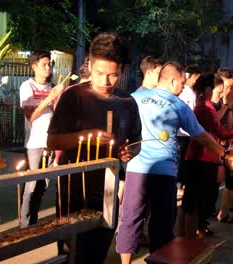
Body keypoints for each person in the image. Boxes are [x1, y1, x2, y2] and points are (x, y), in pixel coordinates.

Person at [116, 62, 233, 263]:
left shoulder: (135, 98)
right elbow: (201, 135)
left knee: (131, 219)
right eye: (182, 82)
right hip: (164, 172)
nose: (183, 87)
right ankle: (160, 259)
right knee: (162, 222)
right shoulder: (178, 105)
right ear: (173, 80)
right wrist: (223, 153)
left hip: (136, 169)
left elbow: (120, 126)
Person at [47, 32, 141, 264]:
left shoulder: (127, 103)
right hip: (73, 191)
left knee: (98, 252)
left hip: (108, 191)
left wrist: (129, 152)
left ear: (122, 70)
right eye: (99, 73)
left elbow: (136, 143)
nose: (105, 82)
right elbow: (53, 142)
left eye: (113, 75)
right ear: (89, 65)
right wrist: (87, 136)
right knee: (74, 255)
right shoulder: (74, 97)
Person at [180, 73, 233, 238]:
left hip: (207, 157)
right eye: (219, 92)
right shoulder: (205, 107)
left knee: (200, 199)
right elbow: (220, 131)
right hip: (200, 158)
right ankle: (187, 239)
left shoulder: (208, 106)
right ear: (208, 90)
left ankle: (191, 234)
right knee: (193, 201)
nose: (221, 95)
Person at [19, 50, 64, 228]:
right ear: (34, 66)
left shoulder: (52, 87)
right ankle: (25, 224)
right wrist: (49, 99)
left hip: (50, 142)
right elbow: (31, 115)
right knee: (31, 185)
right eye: (44, 64)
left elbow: (58, 114)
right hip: (34, 143)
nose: (48, 67)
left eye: (49, 64)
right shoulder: (27, 86)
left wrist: (58, 98)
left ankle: (34, 222)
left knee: (43, 185)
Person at [176, 64, 201, 189]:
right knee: (181, 159)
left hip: (187, 132)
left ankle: (182, 181)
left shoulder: (191, 91)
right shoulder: (184, 91)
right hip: (182, 132)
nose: (196, 81)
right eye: (196, 78)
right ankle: (179, 182)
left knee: (184, 158)